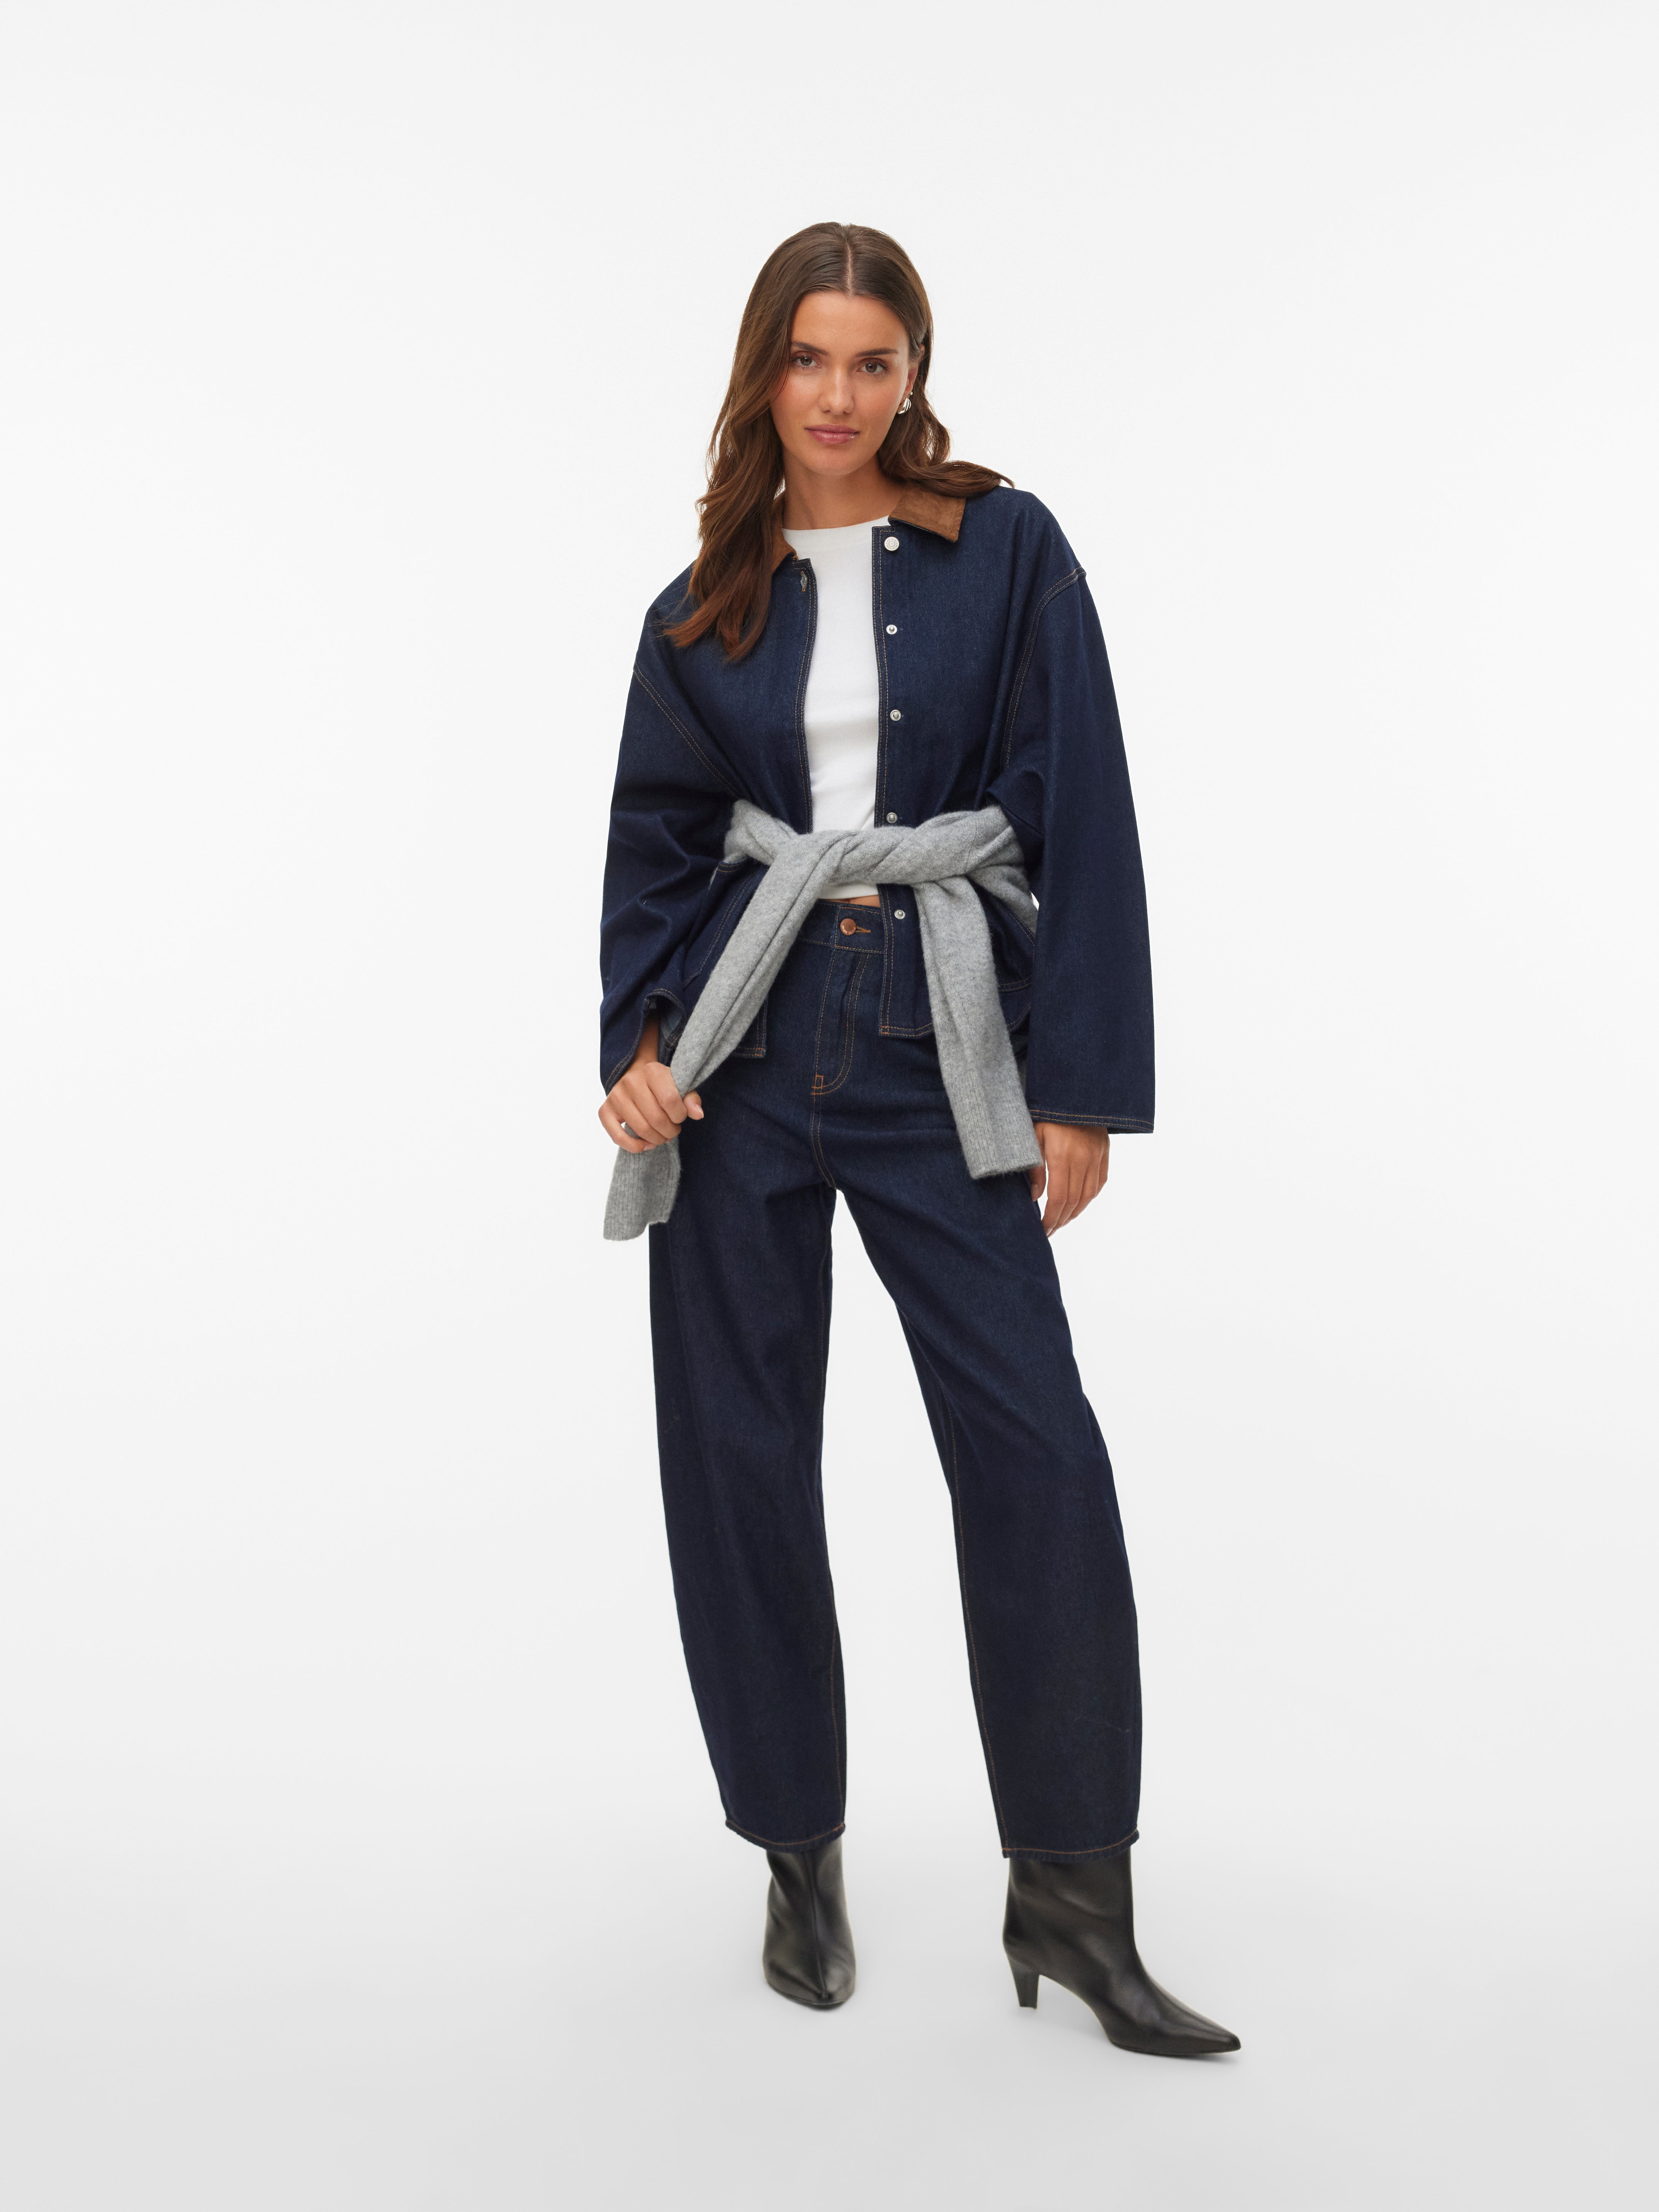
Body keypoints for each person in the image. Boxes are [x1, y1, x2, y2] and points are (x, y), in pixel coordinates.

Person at [597, 222, 1237, 2058]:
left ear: (912, 374)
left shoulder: (1006, 550)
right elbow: (655, 844)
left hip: (938, 1038)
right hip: (740, 1048)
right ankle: (795, 1856)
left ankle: (1074, 1897)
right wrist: (636, 1048)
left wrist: (1080, 1082)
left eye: (872, 362)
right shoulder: (698, 603)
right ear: (763, 374)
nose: (839, 395)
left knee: (1035, 1452)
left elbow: (1085, 806)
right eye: (808, 359)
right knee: (737, 1457)